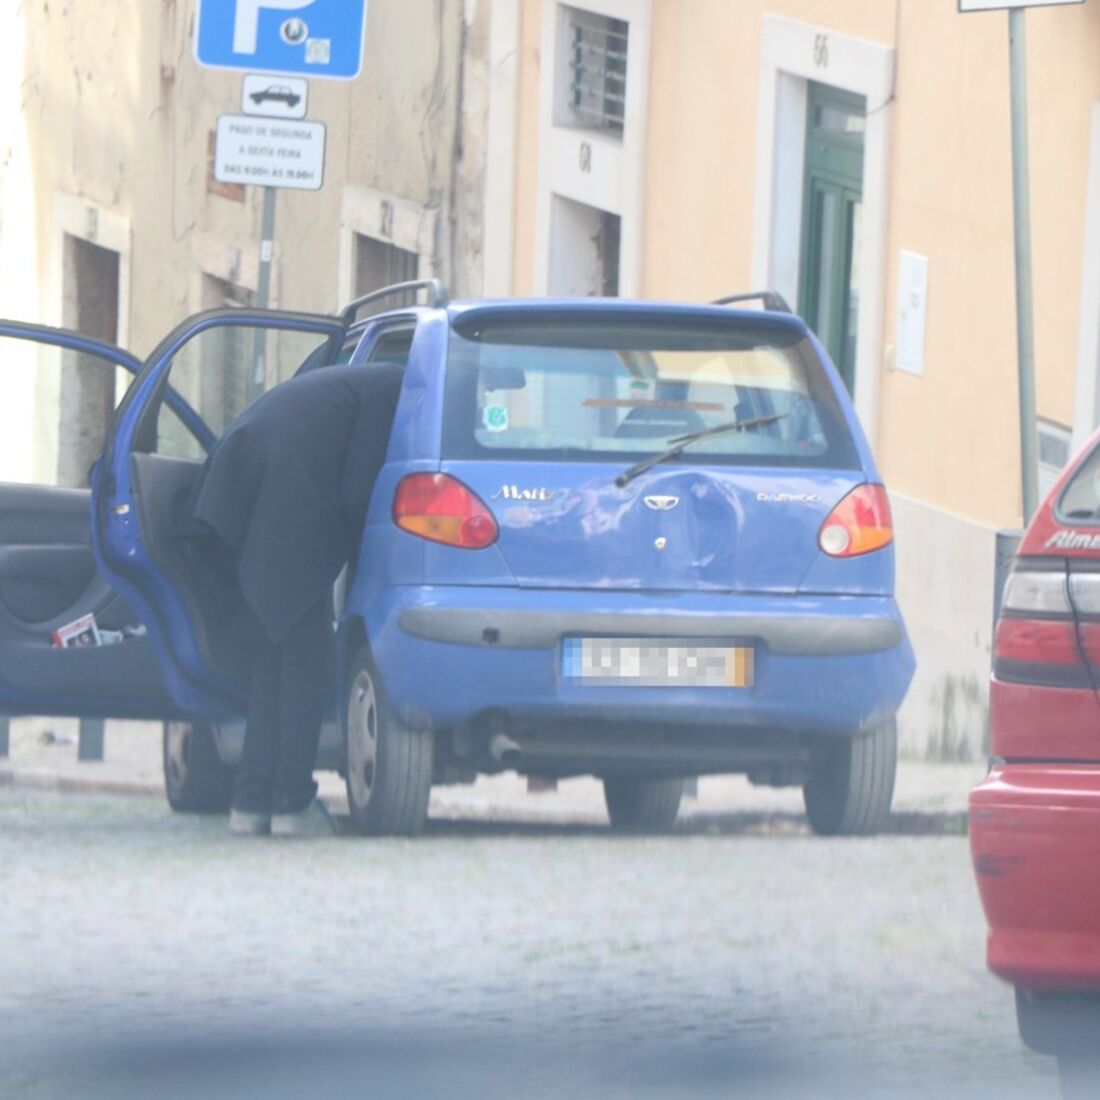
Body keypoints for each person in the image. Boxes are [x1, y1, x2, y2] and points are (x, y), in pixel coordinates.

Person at [182, 363, 404, 838]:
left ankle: (252, 800)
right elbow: (358, 490)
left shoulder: (357, 383)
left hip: (242, 496)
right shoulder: (391, 392)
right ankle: (290, 802)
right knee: (305, 662)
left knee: (273, 662)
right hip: (287, 510)